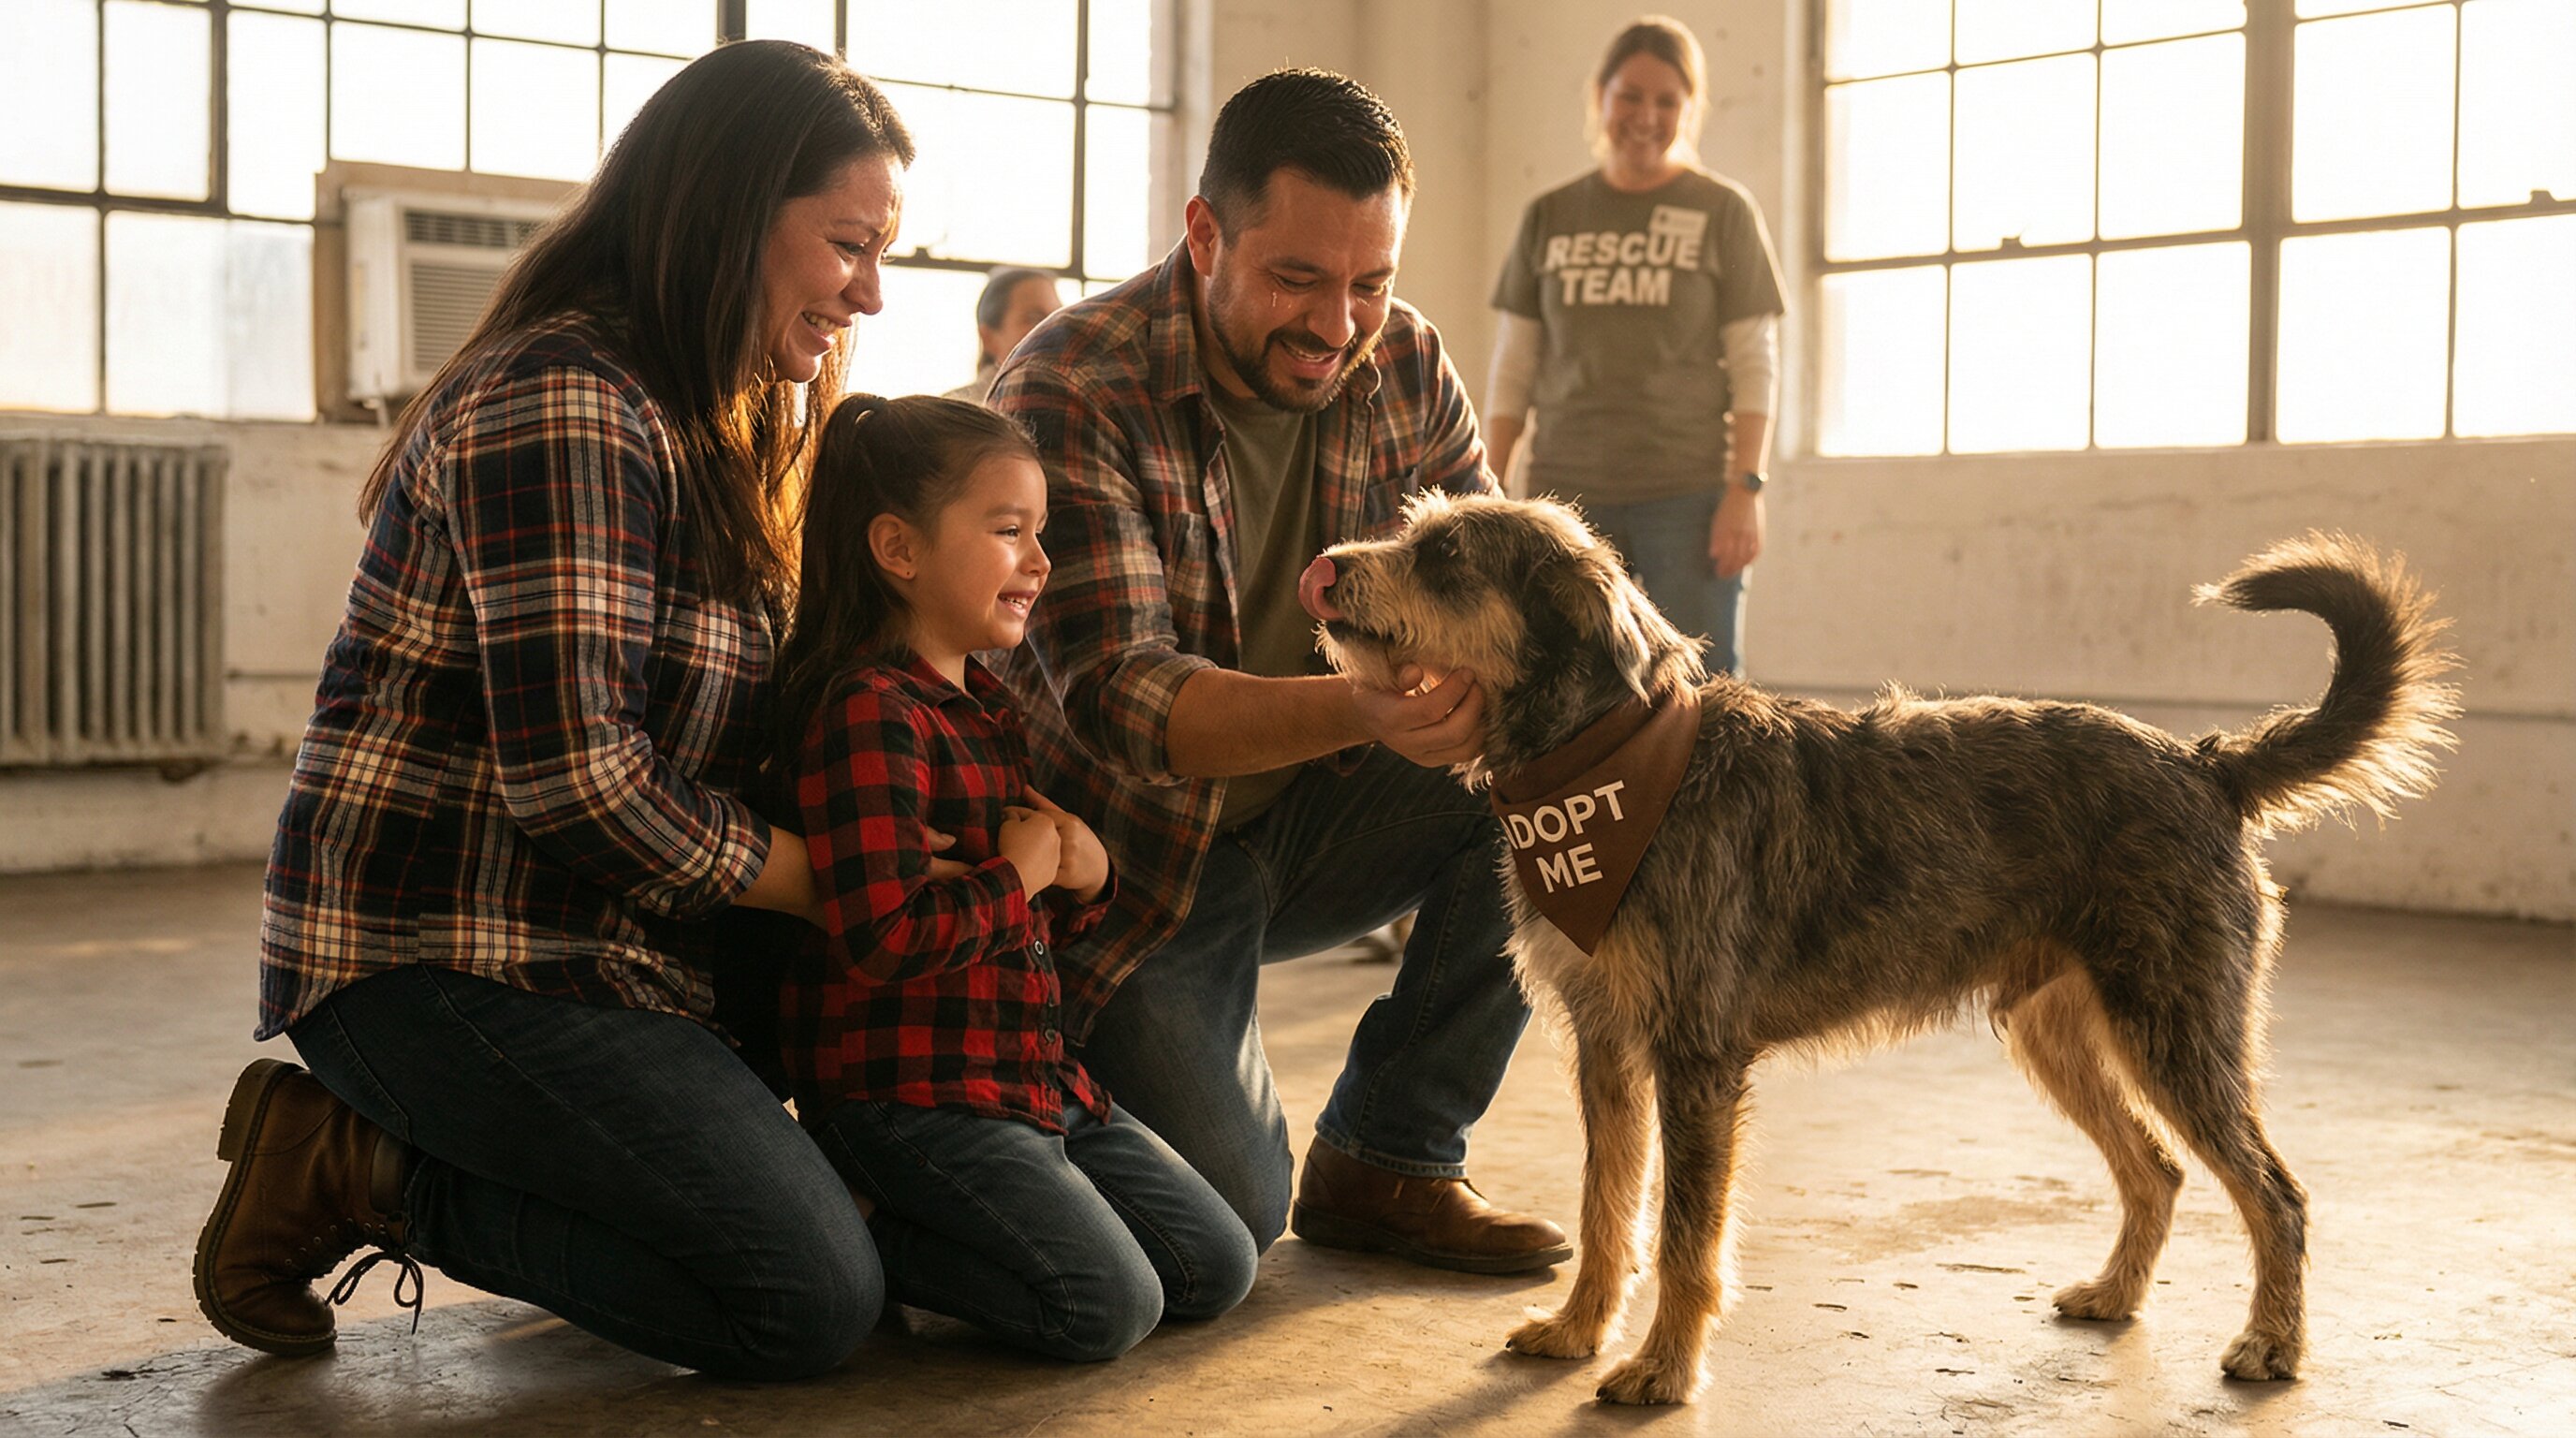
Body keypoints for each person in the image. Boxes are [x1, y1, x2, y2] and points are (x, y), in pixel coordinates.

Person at [192, 41, 915, 1380]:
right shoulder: (569, 396)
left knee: (853, 1228)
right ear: (729, 213)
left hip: (620, 946)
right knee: (807, 1296)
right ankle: (357, 1159)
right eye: (848, 245)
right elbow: (584, 781)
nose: (868, 291)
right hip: (441, 955)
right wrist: (828, 882)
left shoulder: (741, 408)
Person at [988, 67, 1571, 1274]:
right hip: (1132, 869)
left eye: (1370, 282)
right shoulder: (1071, 384)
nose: (1335, 326)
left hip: (1314, 815)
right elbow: (1126, 703)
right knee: (1232, 1223)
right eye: (1295, 279)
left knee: (1555, 763)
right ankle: (1024, 1071)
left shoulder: (1402, 360)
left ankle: (1391, 1159)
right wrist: (1369, 703)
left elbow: (1504, 595)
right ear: (1204, 234)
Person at [768, 393, 1258, 1361]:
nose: (1039, 561)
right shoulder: (869, 712)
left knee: (1216, 1266)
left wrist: (1082, 878)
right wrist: (1019, 873)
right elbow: (885, 937)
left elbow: (1020, 930)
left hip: (1031, 1079)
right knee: (1104, 1308)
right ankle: (864, 1224)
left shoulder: (984, 703)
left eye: (1041, 533)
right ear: (898, 550)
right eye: (1007, 531)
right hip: (914, 1098)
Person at [1485, 15, 1785, 675]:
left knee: (1702, 695)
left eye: (1667, 101)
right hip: (1563, 502)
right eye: (1631, 96)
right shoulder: (1550, 215)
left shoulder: (1722, 211)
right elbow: (1516, 367)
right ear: (1601, 97)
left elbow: (1755, 364)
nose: (1646, 116)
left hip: (1689, 494)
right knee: (1559, 681)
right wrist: (1487, 481)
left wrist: (1747, 488)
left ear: (1690, 109)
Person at [943, 267, 1067, 404]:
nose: (1053, 329)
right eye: (1034, 319)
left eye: (1056, 317)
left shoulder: (1069, 401)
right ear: (989, 338)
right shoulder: (956, 411)